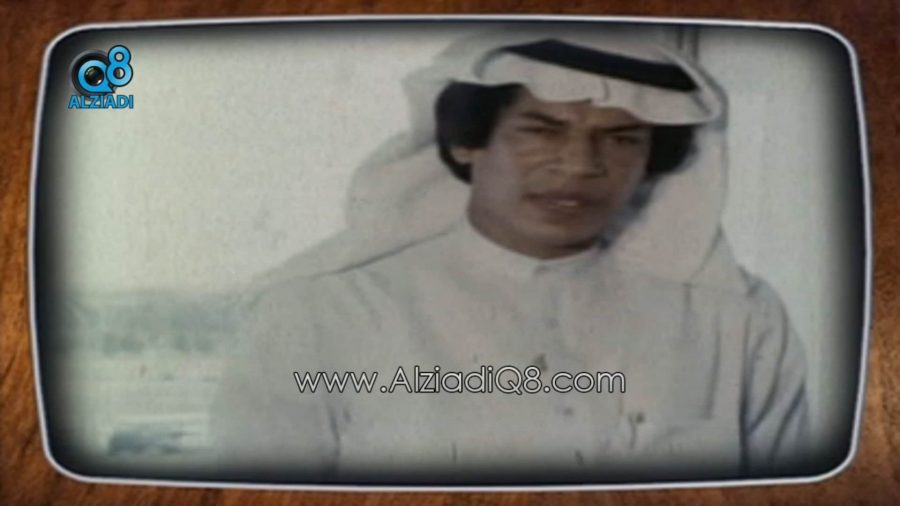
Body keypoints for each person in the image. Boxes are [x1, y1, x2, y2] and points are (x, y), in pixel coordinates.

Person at [210, 28, 809, 484]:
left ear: (652, 160)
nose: (580, 165)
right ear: (467, 142)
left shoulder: (737, 320)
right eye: (541, 131)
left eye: (621, 139)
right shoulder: (318, 316)